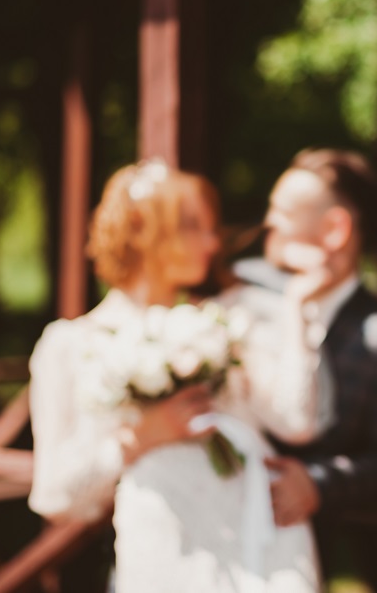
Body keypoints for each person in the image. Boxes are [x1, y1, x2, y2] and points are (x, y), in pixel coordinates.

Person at [28, 159, 334, 593]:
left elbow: (296, 421)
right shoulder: (71, 346)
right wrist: (139, 438)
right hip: (167, 551)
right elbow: (56, 496)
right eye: (193, 226)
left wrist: (296, 309)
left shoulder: (230, 318)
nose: (212, 243)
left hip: (265, 536)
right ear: (142, 230)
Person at [227, 149, 377, 593]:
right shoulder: (241, 292)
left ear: (335, 229)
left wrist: (318, 483)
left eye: (281, 210)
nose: (268, 222)